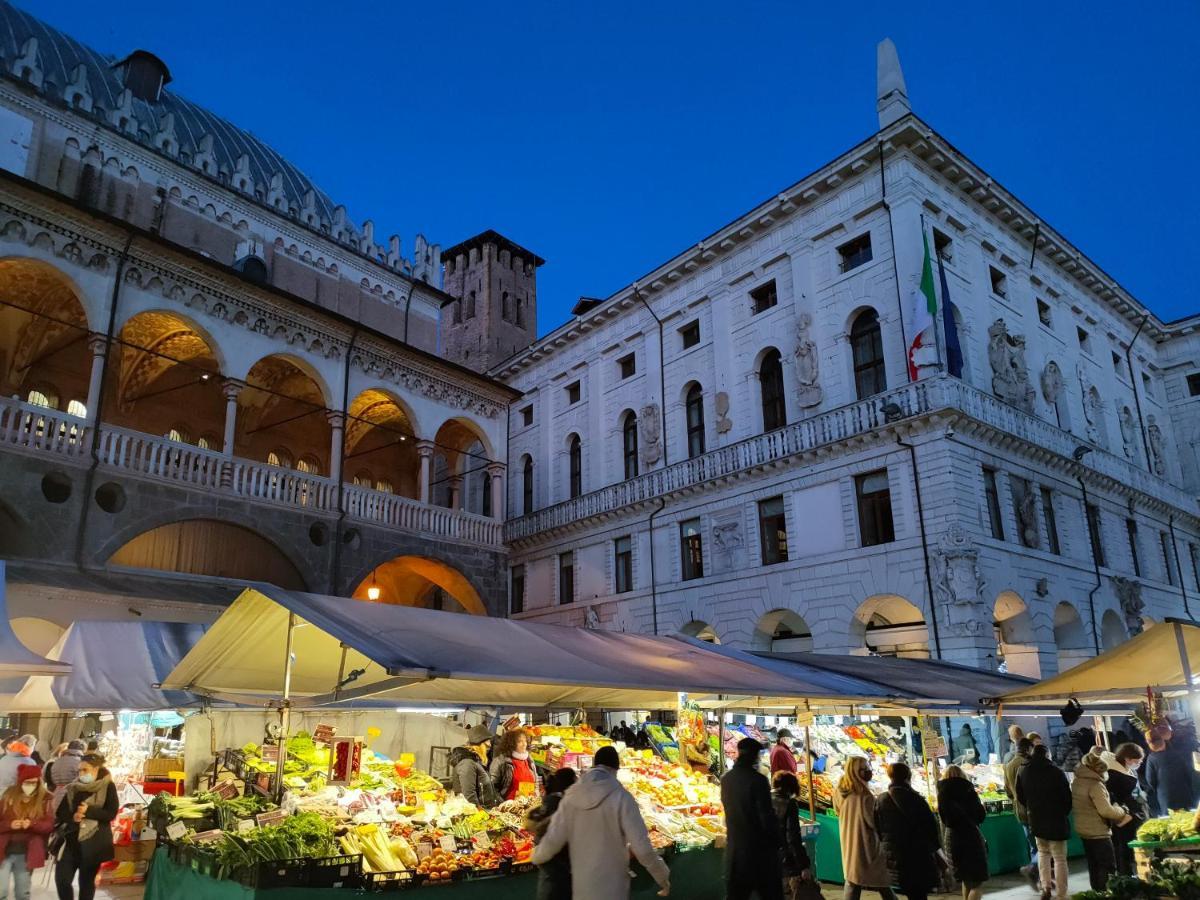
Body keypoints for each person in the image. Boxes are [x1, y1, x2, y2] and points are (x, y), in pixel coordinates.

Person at [531, 745, 670, 899]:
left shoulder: (571, 797)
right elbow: (642, 848)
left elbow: (552, 840)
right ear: (616, 769)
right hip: (614, 888)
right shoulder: (622, 797)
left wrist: (536, 855)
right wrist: (662, 877)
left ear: (594, 765)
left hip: (583, 888)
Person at [722, 738, 783, 900]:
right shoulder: (759, 781)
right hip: (759, 855)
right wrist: (778, 841)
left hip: (735, 852)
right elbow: (766, 818)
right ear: (755, 756)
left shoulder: (726, 779)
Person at [54, 752, 118, 900]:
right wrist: (73, 817)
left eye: (85, 770)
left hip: (93, 843)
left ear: (96, 769)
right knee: (62, 880)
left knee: (87, 884)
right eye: (79, 770)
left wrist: (89, 811)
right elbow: (61, 812)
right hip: (71, 841)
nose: (81, 773)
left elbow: (110, 813)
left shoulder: (108, 786)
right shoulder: (74, 787)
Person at [832, 757, 896, 900]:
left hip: (849, 843)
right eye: (865, 769)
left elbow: (837, 811)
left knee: (853, 880)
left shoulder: (840, 792)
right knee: (880, 881)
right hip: (866, 846)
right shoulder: (865, 796)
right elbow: (873, 822)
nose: (869, 772)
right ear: (856, 772)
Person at [875, 762, 941, 900]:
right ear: (908, 777)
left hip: (894, 854)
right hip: (916, 854)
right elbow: (931, 828)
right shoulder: (916, 799)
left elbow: (877, 827)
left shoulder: (881, 799)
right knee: (918, 893)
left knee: (909, 890)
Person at [1016, 745, 1072, 900]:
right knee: (1060, 858)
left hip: (1036, 818)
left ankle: (1045, 887)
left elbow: (1020, 795)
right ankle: (1061, 893)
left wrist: (1032, 807)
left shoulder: (1024, 771)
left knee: (1042, 854)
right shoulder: (1056, 772)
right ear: (1047, 755)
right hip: (1056, 819)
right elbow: (1067, 798)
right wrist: (1062, 812)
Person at [1072, 749, 1131, 891]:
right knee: (1108, 866)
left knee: (1094, 866)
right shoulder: (1095, 785)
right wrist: (1122, 810)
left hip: (1084, 830)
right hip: (1098, 831)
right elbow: (1105, 810)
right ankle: (1107, 893)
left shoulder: (1077, 781)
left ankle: (1097, 893)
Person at [0, 763, 55, 900]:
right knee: (1, 890)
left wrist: (32, 824)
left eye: (34, 783)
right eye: (27, 782)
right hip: (3, 850)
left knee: (22, 892)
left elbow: (49, 825)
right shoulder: (7, 797)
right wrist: (10, 824)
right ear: (20, 782)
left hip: (27, 852)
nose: (31, 786)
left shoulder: (45, 799)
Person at [526, 768, 578, 900]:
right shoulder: (564, 803)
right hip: (560, 869)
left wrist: (537, 855)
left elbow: (531, 822)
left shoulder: (553, 801)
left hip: (553, 870)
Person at [938, 766, 988, 900]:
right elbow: (981, 815)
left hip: (952, 837)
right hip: (971, 835)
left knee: (965, 878)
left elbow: (943, 817)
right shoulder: (969, 790)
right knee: (977, 882)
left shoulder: (941, 792)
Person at [1102, 743, 1147, 877]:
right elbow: (1110, 796)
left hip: (1135, 814)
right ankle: (1126, 879)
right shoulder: (1112, 774)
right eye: (1137, 760)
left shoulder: (1127, 769)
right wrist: (1124, 811)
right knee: (1124, 850)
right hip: (1124, 819)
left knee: (1134, 850)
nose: (1140, 762)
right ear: (1127, 758)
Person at [772, 771, 815, 900]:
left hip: (766, 861)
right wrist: (804, 866)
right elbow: (793, 838)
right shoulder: (789, 804)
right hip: (785, 863)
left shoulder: (764, 798)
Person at [1003, 737, 1038, 888]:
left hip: (1019, 810)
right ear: (1028, 749)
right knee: (1042, 845)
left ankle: (1038, 875)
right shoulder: (1028, 764)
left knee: (1033, 845)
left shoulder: (1009, 765)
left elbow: (1007, 791)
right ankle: (1034, 870)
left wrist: (1016, 799)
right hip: (1032, 809)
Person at [1145, 725, 1198, 817]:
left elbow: (1150, 780)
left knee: (1172, 820)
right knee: (1188, 818)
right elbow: (1189, 773)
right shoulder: (1178, 754)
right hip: (1185, 791)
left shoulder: (1152, 758)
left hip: (1166, 794)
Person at [448, 725, 499, 809]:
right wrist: (481, 814)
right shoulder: (467, 763)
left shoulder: (476, 761)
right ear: (479, 744)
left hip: (488, 811)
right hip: (479, 814)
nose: (490, 745)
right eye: (487, 743)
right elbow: (469, 796)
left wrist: (500, 804)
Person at [490, 728, 539, 802]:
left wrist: (536, 793)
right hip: (509, 807)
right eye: (520, 741)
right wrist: (502, 804)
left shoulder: (529, 759)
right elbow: (492, 788)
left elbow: (536, 780)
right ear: (511, 744)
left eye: (525, 741)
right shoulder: (500, 761)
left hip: (528, 804)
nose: (524, 744)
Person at [45, 741, 84, 813]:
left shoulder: (57, 761)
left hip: (56, 792)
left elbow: (51, 777)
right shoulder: (80, 762)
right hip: (71, 793)